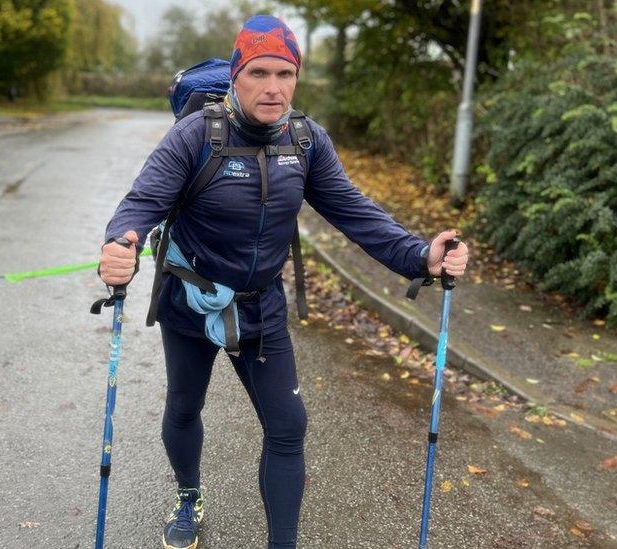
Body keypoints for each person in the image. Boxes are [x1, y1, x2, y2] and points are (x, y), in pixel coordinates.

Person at [98, 14, 470, 549]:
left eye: (286, 74)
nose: (273, 88)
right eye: (259, 73)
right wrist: (120, 243)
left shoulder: (305, 140)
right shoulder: (196, 135)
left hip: (261, 308)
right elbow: (141, 203)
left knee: (288, 426)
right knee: (184, 405)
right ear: (235, 75)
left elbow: (353, 212)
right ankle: (188, 496)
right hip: (191, 301)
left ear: (297, 77)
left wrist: (421, 255)